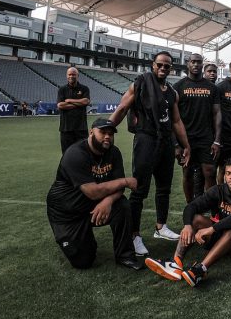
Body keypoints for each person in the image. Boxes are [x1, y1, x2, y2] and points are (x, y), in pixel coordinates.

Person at [108, 51, 191, 256]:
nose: (163, 68)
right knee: (139, 189)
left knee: (164, 187)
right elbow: (122, 107)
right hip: (146, 139)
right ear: (153, 65)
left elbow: (177, 121)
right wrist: (107, 128)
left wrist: (185, 145)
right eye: (160, 65)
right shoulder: (140, 84)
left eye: (167, 66)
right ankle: (134, 235)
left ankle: (160, 227)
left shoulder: (172, 92)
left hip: (165, 141)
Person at [144, 157, 231, 287]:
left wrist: (212, 229)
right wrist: (188, 225)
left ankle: (200, 270)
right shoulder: (218, 190)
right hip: (223, 237)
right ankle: (175, 263)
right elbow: (192, 206)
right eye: (228, 173)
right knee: (195, 219)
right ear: (224, 175)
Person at [46, 118, 142, 270]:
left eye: (110, 134)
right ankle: (82, 239)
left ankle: (125, 256)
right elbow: (93, 192)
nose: (107, 137)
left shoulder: (114, 152)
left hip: (90, 205)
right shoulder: (76, 153)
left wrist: (108, 201)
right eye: (102, 132)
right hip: (66, 213)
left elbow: (118, 189)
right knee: (83, 262)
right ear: (91, 132)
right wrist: (125, 181)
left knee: (122, 205)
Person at [173, 53, 222, 203]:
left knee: (210, 172)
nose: (195, 65)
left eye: (198, 62)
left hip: (205, 138)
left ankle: (213, 208)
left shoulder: (211, 87)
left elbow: (217, 114)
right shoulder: (178, 86)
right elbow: (174, 118)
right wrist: (176, 144)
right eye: (193, 62)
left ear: (202, 65)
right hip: (185, 139)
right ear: (188, 64)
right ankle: (191, 207)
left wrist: (217, 141)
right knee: (187, 172)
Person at [57, 67, 91, 154]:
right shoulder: (62, 89)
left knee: (83, 153)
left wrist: (69, 100)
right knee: (66, 154)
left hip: (81, 129)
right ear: (66, 76)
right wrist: (79, 104)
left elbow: (86, 101)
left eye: (73, 74)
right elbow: (60, 105)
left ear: (77, 76)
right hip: (66, 129)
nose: (71, 76)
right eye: (69, 74)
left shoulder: (84, 88)